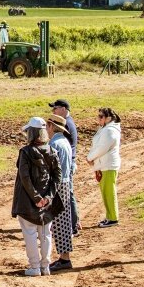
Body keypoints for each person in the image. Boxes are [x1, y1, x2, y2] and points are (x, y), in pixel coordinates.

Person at [13, 117, 62, 277]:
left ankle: (34, 267)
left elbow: (25, 177)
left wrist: (36, 198)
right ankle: (45, 266)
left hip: (28, 201)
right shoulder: (52, 151)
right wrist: (48, 197)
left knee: (30, 233)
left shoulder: (25, 152)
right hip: (47, 200)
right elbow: (57, 176)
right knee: (45, 233)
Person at [46, 113, 75, 271]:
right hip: (66, 183)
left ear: (51, 126)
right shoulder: (64, 141)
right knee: (64, 222)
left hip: (58, 185)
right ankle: (64, 257)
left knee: (57, 224)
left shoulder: (54, 143)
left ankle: (64, 259)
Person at [86, 107, 122, 228]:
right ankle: (110, 216)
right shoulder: (106, 129)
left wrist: (90, 157)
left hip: (107, 165)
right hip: (103, 164)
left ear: (108, 118)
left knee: (109, 192)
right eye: (99, 116)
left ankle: (113, 217)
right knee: (106, 192)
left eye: (101, 116)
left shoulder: (109, 131)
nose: (99, 119)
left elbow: (102, 148)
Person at [49, 99, 81, 234]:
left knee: (68, 194)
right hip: (69, 160)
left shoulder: (66, 124)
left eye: (55, 108)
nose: (53, 111)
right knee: (68, 193)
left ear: (63, 109)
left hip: (66, 162)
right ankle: (73, 222)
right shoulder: (69, 122)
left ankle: (72, 224)